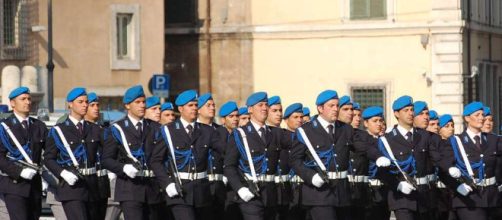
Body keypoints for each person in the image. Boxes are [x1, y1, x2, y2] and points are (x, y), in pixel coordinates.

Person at [290, 90, 390, 220]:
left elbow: (362, 147)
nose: (335, 109)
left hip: (342, 193)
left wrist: (378, 156)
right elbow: (295, 160)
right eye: (331, 106)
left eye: (337, 105)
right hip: (318, 193)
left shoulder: (345, 129)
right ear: (320, 108)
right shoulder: (306, 131)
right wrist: (311, 176)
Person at [149, 89, 223, 220]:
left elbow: (226, 152)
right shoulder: (168, 130)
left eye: (196, 105)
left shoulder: (207, 131)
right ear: (181, 108)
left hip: (202, 192)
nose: (194, 108)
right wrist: (167, 183)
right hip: (179, 191)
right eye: (190, 105)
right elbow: (156, 161)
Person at [102, 85, 164, 220]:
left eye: (143, 102)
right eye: (137, 102)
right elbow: (106, 159)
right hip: (129, 188)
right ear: (127, 105)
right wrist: (122, 168)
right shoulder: (117, 129)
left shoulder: (155, 128)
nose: (142, 105)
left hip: (152, 188)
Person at [375, 96, 440, 220]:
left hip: (423, 195)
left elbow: (436, 159)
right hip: (401, 198)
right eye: (406, 110)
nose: (410, 113)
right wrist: (397, 185)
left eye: (411, 109)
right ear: (396, 114)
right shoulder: (387, 140)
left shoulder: (424, 136)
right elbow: (382, 172)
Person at [44, 88, 103, 220]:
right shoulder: (59, 130)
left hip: (93, 186)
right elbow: (48, 159)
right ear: (70, 104)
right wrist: (63, 173)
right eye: (80, 102)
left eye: (86, 102)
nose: (85, 105)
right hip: (72, 187)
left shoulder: (95, 129)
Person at [224, 92, 284, 220]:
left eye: (266, 105)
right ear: (250, 109)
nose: (264, 108)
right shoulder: (240, 134)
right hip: (250, 192)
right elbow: (229, 166)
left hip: (270, 194)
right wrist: (240, 189)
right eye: (260, 105)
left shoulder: (275, 133)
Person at [438, 102, 501, 220]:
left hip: (492, 199)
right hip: (468, 199)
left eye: (482, 115)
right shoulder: (455, 141)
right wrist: (457, 186)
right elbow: (443, 167)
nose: (481, 118)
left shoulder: (494, 140)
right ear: (467, 118)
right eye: (477, 115)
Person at [0, 87, 47, 220]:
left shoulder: (39, 126)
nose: (27, 102)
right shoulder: (4, 127)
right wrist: (18, 171)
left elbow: (49, 153)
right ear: (13, 103)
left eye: (29, 98)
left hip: (35, 185)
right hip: (13, 184)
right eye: (23, 99)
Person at [356, 106, 390, 220]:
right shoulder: (361, 140)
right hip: (368, 191)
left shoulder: (385, 141)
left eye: (381, 120)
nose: (379, 124)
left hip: (384, 190)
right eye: (375, 121)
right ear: (366, 123)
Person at [215, 101, 242, 220]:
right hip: (224, 184)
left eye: (237, 116)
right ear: (223, 120)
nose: (235, 119)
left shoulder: (241, 134)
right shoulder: (218, 135)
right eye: (231, 116)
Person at [85, 92, 109, 220]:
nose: (96, 108)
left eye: (97, 105)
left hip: (102, 183)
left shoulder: (103, 130)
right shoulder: (82, 130)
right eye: (92, 105)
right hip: (88, 183)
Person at [279, 103, 305, 220]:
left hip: (305, 186)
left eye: (301, 117)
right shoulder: (281, 136)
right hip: (288, 186)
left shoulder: (307, 137)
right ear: (286, 120)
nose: (299, 120)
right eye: (295, 117)